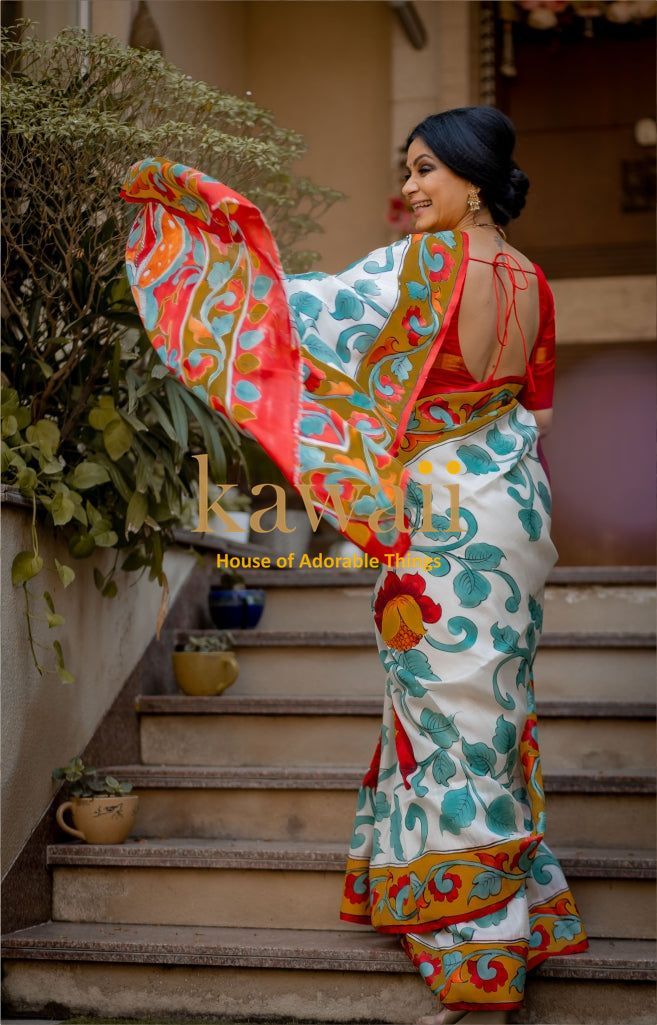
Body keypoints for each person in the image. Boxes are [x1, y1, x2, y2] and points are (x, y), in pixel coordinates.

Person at [120, 104, 589, 1025]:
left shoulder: (422, 266)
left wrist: (199, 246)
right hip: (515, 507)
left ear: (474, 178)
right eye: (407, 169)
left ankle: (479, 955)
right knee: (489, 701)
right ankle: (507, 901)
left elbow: (292, 315)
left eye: (426, 170)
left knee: (447, 712)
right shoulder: (534, 279)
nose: (410, 188)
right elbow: (537, 413)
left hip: (443, 514)